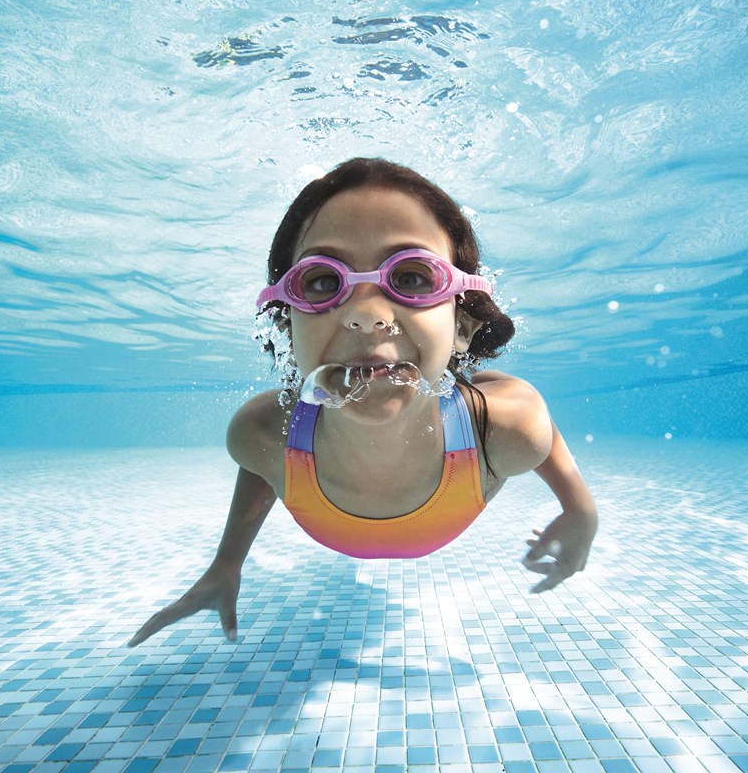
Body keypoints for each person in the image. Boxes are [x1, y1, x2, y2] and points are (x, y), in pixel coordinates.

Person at [128, 158, 597, 646]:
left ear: (462, 324)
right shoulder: (261, 430)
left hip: (465, 415)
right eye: (323, 282)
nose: (367, 316)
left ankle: (461, 371)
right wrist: (226, 564)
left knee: (492, 391)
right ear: (288, 327)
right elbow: (268, 458)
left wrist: (581, 509)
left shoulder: (501, 430)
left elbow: (539, 426)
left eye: (413, 278)